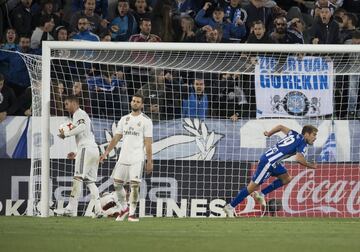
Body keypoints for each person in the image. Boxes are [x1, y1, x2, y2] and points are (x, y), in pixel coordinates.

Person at [223, 124, 318, 217]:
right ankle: (230, 207)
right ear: (306, 134)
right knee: (251, 188)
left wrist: (269, 134)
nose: (315, 138)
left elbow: (280, 127)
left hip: (274, 162)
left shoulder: (294, 134)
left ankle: (261, 193)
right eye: (314, 135)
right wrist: (311, 166)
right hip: (268, 163)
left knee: (286, 179)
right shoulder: (303, 144)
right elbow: (299, 159)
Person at [100, 94, 153, 222]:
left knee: (134, 185)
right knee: (117, 184)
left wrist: (149, 160)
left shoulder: (146, 121)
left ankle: (132, 213)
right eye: (133, 101)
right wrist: (106, 152)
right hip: (123, 157)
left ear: (142, 105)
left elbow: (148, 142)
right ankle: (124, 208)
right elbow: (116, 138)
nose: (135, 103)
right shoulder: (124, 119)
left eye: (138, 102)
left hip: (137, 158)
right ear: (131, 102)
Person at [54, 95, 103, 218]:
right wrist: (76, 152)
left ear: (73, 103)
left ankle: (70, 208)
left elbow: (81, 128)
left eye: (66, 104)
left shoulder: (78, 113)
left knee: (78, 177)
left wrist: (66, 133)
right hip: (93, 149)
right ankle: (98, 210)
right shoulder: (83, 115)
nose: (65, 107)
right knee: (90, 181)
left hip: (86, 149)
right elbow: (85, 134)